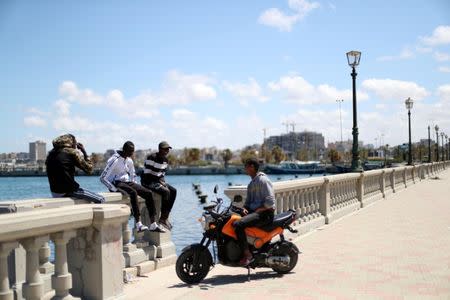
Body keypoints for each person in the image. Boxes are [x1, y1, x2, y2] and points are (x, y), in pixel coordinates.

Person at [100, 141, 165, 232]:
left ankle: (153, 224)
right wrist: (113, 189)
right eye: (130, 151)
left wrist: (135, 184)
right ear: (124, 150)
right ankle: (138, 224)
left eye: (133, 151)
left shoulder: (129, 160)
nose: (132, 153)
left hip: (127, 182)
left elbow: (133, 175)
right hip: (116, 182)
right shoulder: (114, 159)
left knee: (148, 193)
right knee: (133, 193)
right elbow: (103, 178)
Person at [233, 158, 275, 266]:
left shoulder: (263, 180)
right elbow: (248, 202)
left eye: (246, 166)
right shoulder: (251, 184)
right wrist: (244, 208)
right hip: (255, 213)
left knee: (238, 225)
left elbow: (270, 202)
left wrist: (259, 209)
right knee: (233, 218)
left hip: (265, 214)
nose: (244, 169)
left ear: (252, 167)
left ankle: (248, 255)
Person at [46, 134, 105, 203]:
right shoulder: (71, 153)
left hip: (55, 193)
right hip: (69, 191)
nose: (75, 146)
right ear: (71, 143)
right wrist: (84, 151)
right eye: (75, 143)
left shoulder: (51, 154)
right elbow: (89, 170)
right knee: (101, 199)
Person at [141, 141, 176, 230]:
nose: (167, 151)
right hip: (147, 181)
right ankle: (162, 219)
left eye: (168, 149)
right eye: (165, 149)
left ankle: (165, 217)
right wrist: (159, 184)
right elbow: (146, 174)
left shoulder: (165, 160)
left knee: (173, 191)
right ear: (160, 149)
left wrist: (162, 182)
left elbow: (161, 175)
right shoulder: (151, 157)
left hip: (157, 181)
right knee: (165, 191)